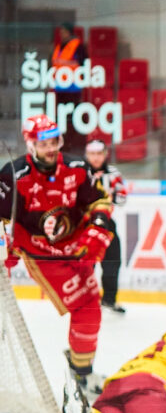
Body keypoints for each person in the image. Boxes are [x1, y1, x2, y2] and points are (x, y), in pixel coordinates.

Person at [0, 114, 113, 395]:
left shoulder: (77, 168)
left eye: (54, 142)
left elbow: (100, 201)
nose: (51, 149)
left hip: (77, 250)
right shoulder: (13, 175)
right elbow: (2, 219)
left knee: (90, 310)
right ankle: (81, 375)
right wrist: (5, 246)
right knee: (85, 306)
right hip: (41, 253)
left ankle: (82, 373)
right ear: (31, 145)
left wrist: (98, 230)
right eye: (43, 144)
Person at [84, 138, 128, 313]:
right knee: (86, 266)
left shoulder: (113, 174)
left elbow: (123, 198)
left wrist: (112, 197)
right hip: (85, 225)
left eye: (99, 154)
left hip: (107, 224)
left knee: (112, 261)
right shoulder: (80, 173)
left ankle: (109, 300)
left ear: (105, 155)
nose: (95, 158)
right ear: (87, 155)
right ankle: (85, 302)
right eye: (92, 154)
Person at [51, 22, 89, 153]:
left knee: (72, 119)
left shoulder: (78, 46)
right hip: (59, 89)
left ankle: (72, 144)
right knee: (61, 118)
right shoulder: (59, 47)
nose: (62, 34)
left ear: (69, 32)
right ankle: (63, 144)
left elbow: (84, 65)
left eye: (63, 32)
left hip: (73, 89)